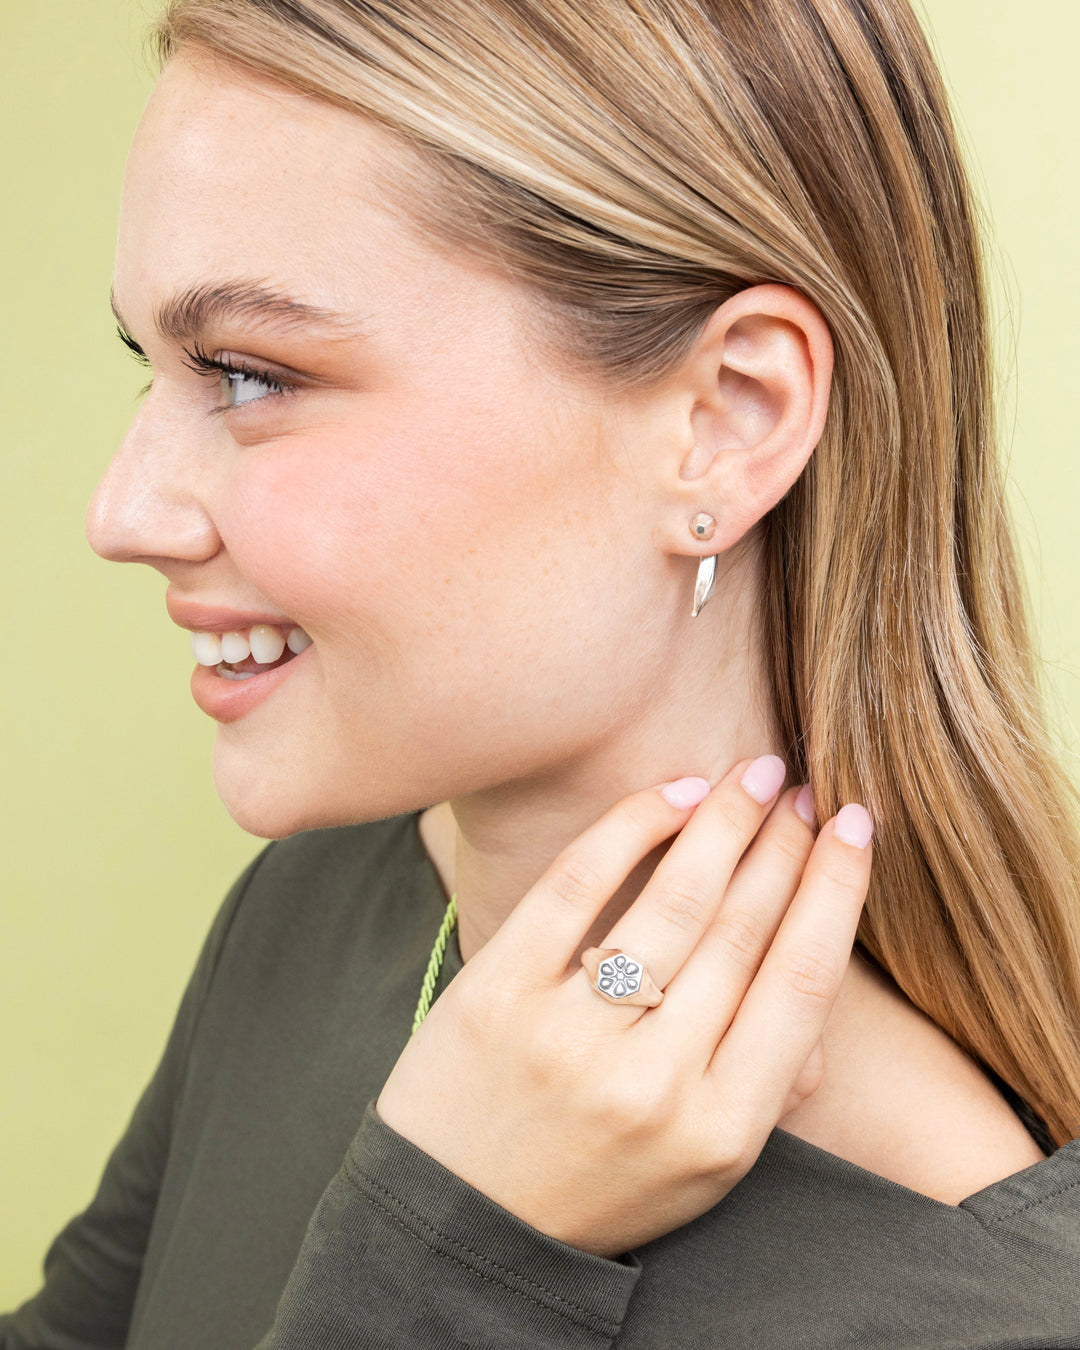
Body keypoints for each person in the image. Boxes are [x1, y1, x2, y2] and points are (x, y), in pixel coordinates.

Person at [4, 0, 1079, 1345]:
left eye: (247, 372)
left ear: (728, 418)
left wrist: (442, 1248)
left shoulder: (983, 1316)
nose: (123, 510)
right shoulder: (318, 911)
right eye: (148, 365)